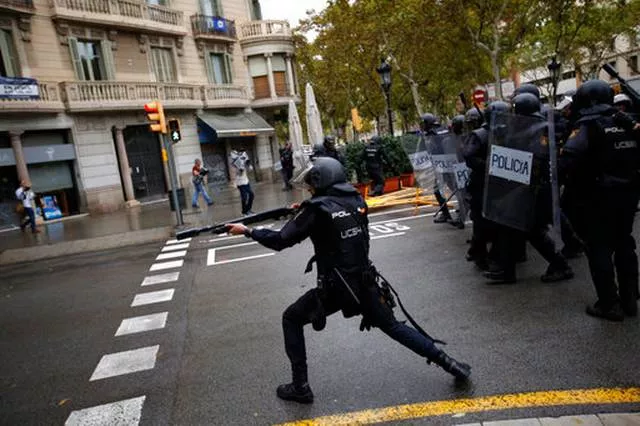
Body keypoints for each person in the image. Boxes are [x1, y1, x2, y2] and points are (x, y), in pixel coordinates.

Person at [226, 157, 471, 404]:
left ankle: (300, 386)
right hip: (365, 282)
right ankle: (450, 364)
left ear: (322, 181)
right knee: (394, 327)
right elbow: (335, 218)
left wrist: (248, 231)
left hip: (335, 288)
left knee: (291, 318)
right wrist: (304, 209)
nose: (310, 189)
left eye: (312, 184)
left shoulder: (316, 209)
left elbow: (281, 240)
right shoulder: (356, 200)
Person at [561, 79, 640, 321]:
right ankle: (630, 299)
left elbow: (569, 158)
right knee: (625, 242)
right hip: (628, 196)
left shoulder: (586, 125)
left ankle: (609, 304)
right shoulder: (627, 122)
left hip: (597, 197)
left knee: (599, 246)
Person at [484, 93, 573, 284]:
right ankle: (507, 270)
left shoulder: (540, 129)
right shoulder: (528, 127)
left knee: (528, 229)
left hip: (535, 189)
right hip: (526, 188)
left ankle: (559, 265)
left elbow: (536, 157)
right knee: (520, 229)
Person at [420, 113, 464, 228]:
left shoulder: (437, 132)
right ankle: (447, 213)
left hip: (448, 165)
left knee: (457, 189)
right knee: (439, 190)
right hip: (440, 166)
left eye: (423, 123)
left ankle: (461, 214)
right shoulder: (437, 131)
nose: (422, 126)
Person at [230, 150, 255, 215]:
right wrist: (239, 170)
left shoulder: (241, 159)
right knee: (244, 197)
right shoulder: (233, 164)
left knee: (251, 195)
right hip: (240, 183)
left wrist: (249, 165)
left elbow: (248, 165)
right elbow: (235, 174)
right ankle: (244, 211)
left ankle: (248, 209)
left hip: (246, 181)